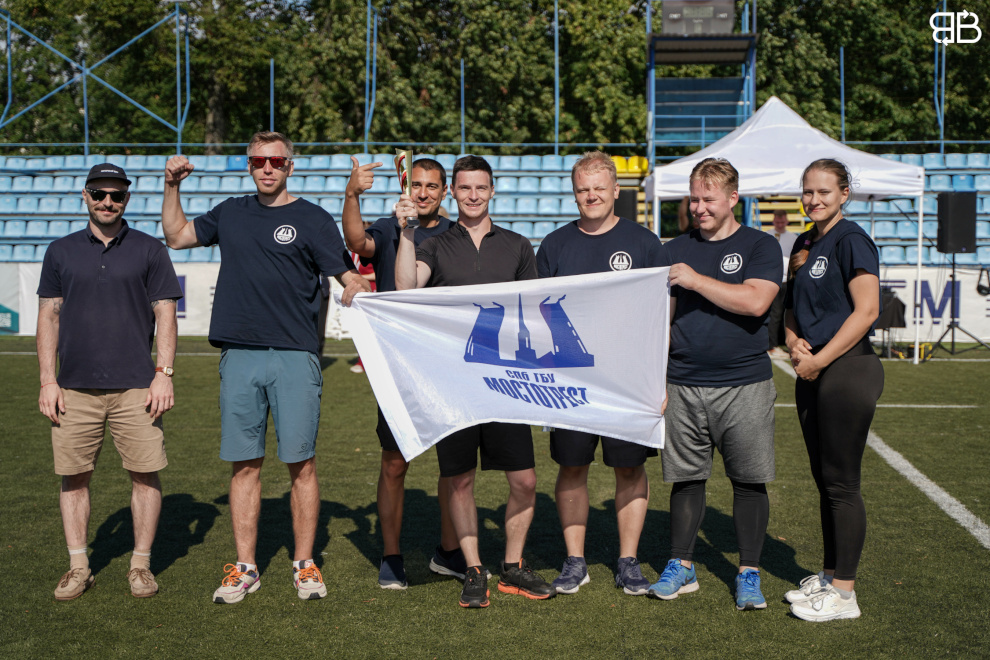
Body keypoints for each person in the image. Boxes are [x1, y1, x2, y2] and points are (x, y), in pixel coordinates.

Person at [161, 132, 371, 604]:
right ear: (249, 166)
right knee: (244, 465)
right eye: (259, 161)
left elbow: (345, 273)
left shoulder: (313, 218)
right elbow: (176, 236)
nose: (268, 168)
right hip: (239, 354)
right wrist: (171, 185)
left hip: (296, 355)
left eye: (276, 161)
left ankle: (304, 563)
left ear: (290, 166)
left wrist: (356, 284)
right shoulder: (230, 212)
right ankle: (246, 567)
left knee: (302, 463)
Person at [395, 155, 554, 608]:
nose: (473, 195)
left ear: (492, 190)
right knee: (460, 481)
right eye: (464, 188)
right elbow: (406, 288)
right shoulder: (434, 244)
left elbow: (532, 311)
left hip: (506, 383)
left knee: (524, 481)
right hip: (454, 385)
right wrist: (406, 232)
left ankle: (513, 565)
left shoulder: (518, 246)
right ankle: (473, 568)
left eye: (480, 187)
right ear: (452, 192)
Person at [37, 163, 182, 601]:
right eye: (99, 193)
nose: (107, 201)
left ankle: (141, 565)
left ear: (127, 199)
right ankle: (79, 566)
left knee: (145, 475)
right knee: (74, 477)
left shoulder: (150, 249)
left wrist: (163, 374)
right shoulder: (59, 251)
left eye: (116, 195)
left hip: (137, 387)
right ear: (85, 195)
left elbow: (166, 314)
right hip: (73, 388)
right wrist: (47, 381)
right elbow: (49, 316)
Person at [647, 157, 781, 610]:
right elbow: (661, 321)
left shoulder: (761, 245)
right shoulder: (672, 249)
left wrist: (696, 279)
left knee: (749, 480)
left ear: (732, 199)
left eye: (708, 199)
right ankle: (681, 564)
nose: (699, 207)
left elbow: (756, 302)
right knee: (685, 479)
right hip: (683, 382)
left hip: (744, 383)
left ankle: (748, 572)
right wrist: (657, 378)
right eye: (694, 199)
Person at [535, 151, 666, 596]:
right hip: (571, 382)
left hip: (627, 380)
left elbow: (660, 316)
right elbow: (538, 312)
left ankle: (628, 561)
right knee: (572, 466)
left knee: (629, 468)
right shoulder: (554, 245)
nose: (591, 196)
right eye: (582, 189)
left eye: (598, 188)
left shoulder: (644, 243)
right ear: (574, 193)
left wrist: (658, 378)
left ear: (615, 190)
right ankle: (576, 561)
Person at [341, 155, 464, 590]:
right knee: (395, 463)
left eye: (432, 186)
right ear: (406, 187)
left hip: (448, 365)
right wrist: (353, 193)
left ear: (445, 191)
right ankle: (391, 555)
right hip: (397, 364)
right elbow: (356, 241)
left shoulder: (457, 234)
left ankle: (449, 551)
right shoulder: (389, 227)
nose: (423, 193)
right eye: (417, 185)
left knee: (453, 466)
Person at [784, 159, 883, 622]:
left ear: (844, 193)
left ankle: (845, 594)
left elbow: (867, 311)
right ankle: (829, 576)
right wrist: (792, 341)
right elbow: (791, 308)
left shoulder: (852, 239)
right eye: (808, 191)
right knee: (825, 479)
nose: (814, 199)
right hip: (814, 371)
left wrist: (820, 360)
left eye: (824, 191)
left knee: (842, 483)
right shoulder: (804, 242)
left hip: (847, 369)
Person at [767, 209, 797, 358]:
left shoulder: (793, 238)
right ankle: (771, 345)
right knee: (775, 314)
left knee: (788, 314)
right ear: (774, 221)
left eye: (782, 222)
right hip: (773, 281)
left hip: (788, 280)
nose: (780, 224)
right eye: (777, 222)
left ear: (787, 221)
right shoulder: (767, 235)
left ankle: (784, 342)